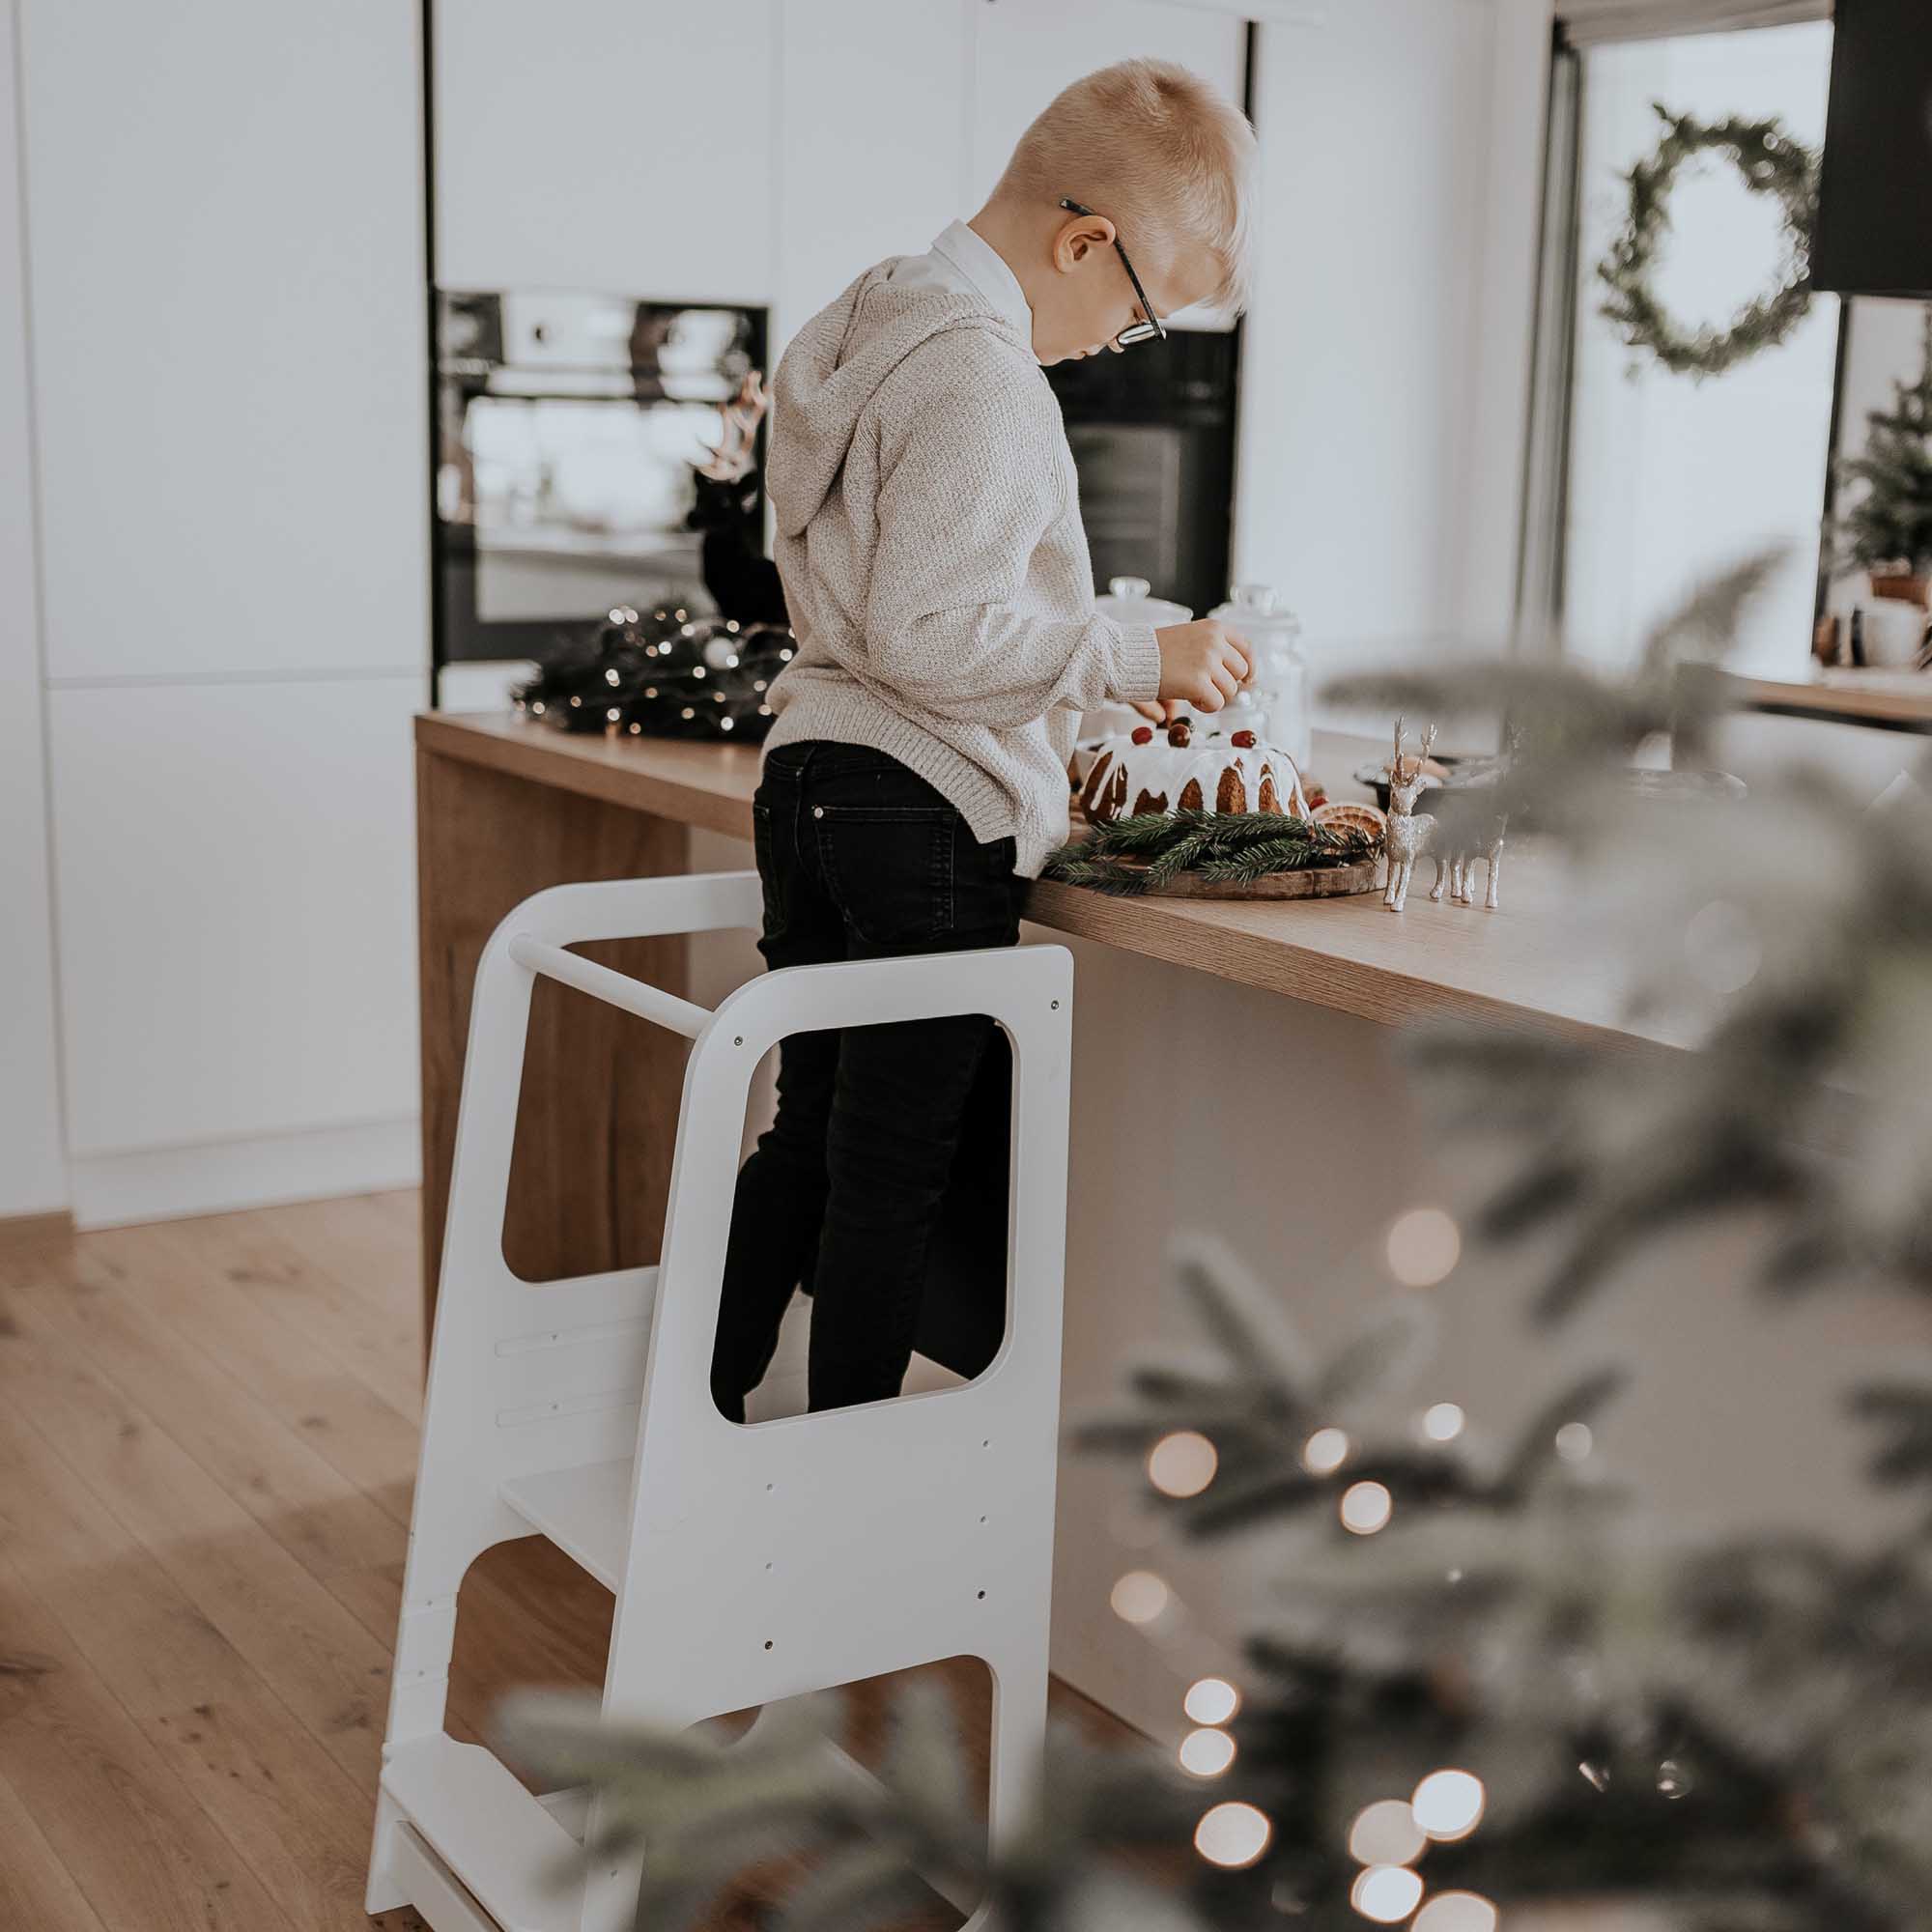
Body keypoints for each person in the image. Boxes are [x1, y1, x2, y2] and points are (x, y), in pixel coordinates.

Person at [708, 57, 1260, 1422]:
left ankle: (700, 1427)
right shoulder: (990, 380)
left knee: (808, 1134)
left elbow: (879, 610)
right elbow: (936, 636)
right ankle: (841, 1511)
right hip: (919, 803)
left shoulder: (877, 312)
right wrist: (1140, 650)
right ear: (1084, 242)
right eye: (1137, 317)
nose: (1116, 348)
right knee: (895, 1175)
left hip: (812, 779)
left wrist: (1073, 684)